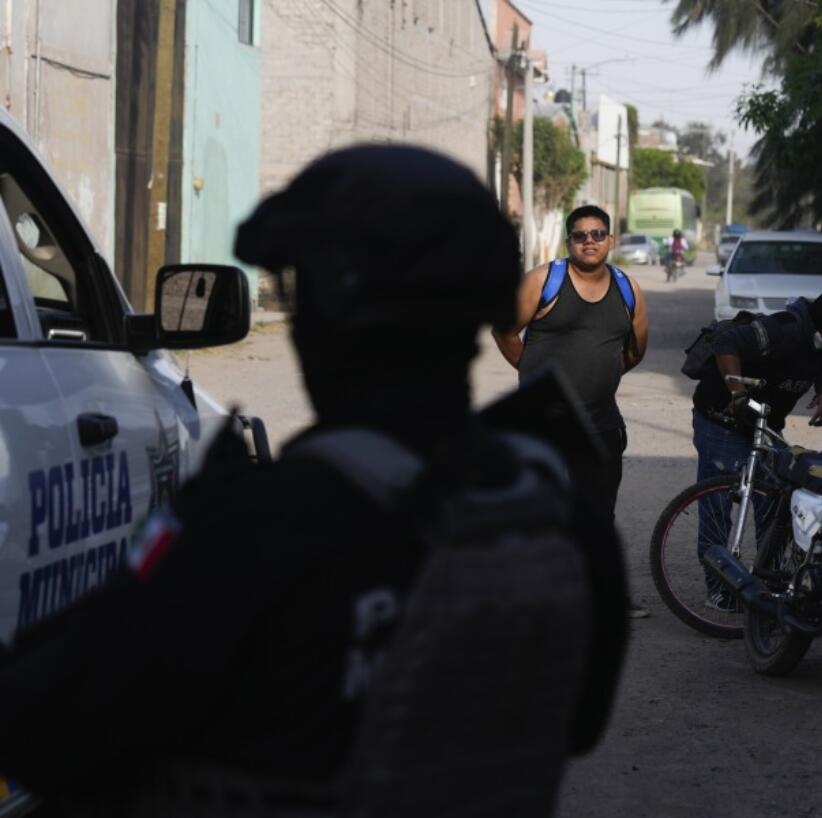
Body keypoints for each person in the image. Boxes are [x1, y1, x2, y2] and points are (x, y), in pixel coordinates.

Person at [0, 146, 628, 815]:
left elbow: (50, 730)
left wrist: (170, 545)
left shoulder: (265, 522)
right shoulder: (560, 516)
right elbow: (580, 722)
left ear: (331, 308)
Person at [493, 204, 650, 617]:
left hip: (600, 422)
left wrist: (604, 373)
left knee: (597, 512)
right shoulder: (544, 280)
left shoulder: (628, 289)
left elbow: (634, 350)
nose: (590, 241)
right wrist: (534, 375)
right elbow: (504, 330)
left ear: (610, 240)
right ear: (570, 242)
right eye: (581, 235)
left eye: (598, 234)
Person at [689, 286, 822, 609]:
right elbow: (726, 343)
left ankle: (769, 586)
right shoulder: (784, 328)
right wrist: (737, 392)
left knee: (775, 505)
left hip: (767, 426)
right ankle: (717, 590)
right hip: (721, 420)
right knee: (717, 507)